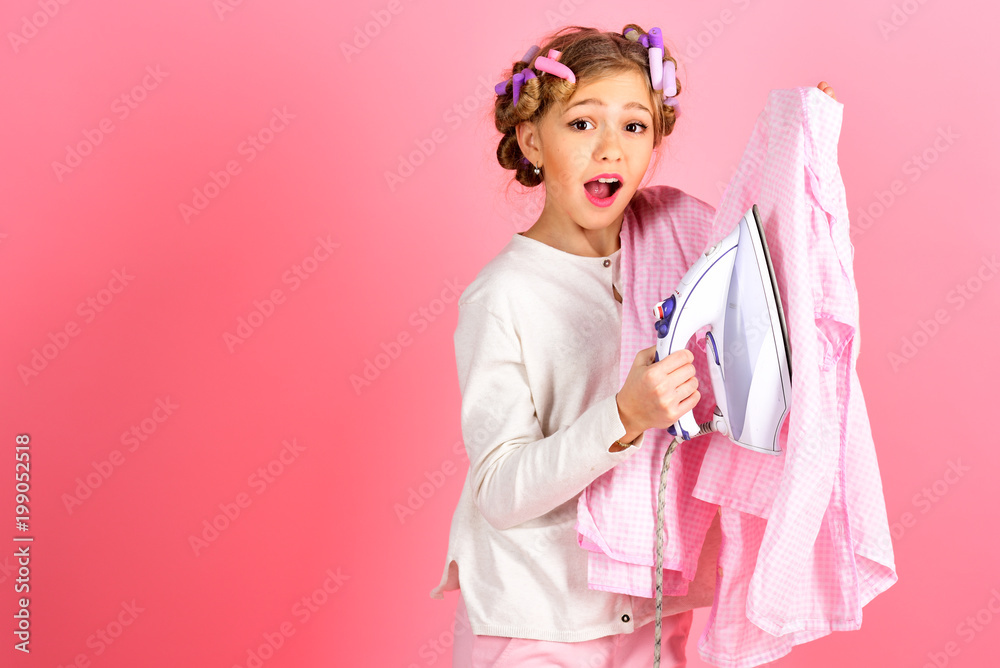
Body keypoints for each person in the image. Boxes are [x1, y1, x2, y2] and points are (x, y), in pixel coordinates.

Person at [429, 23, 837, 667]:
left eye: (635, 126)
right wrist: (623, 418)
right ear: (532, 139)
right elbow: (500, 491)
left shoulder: (677, 230)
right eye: (583, 124)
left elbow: (761, 270)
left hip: (648, 609)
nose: (611, 150)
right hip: (538, 622)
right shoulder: (503, 295)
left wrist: (799, 155)